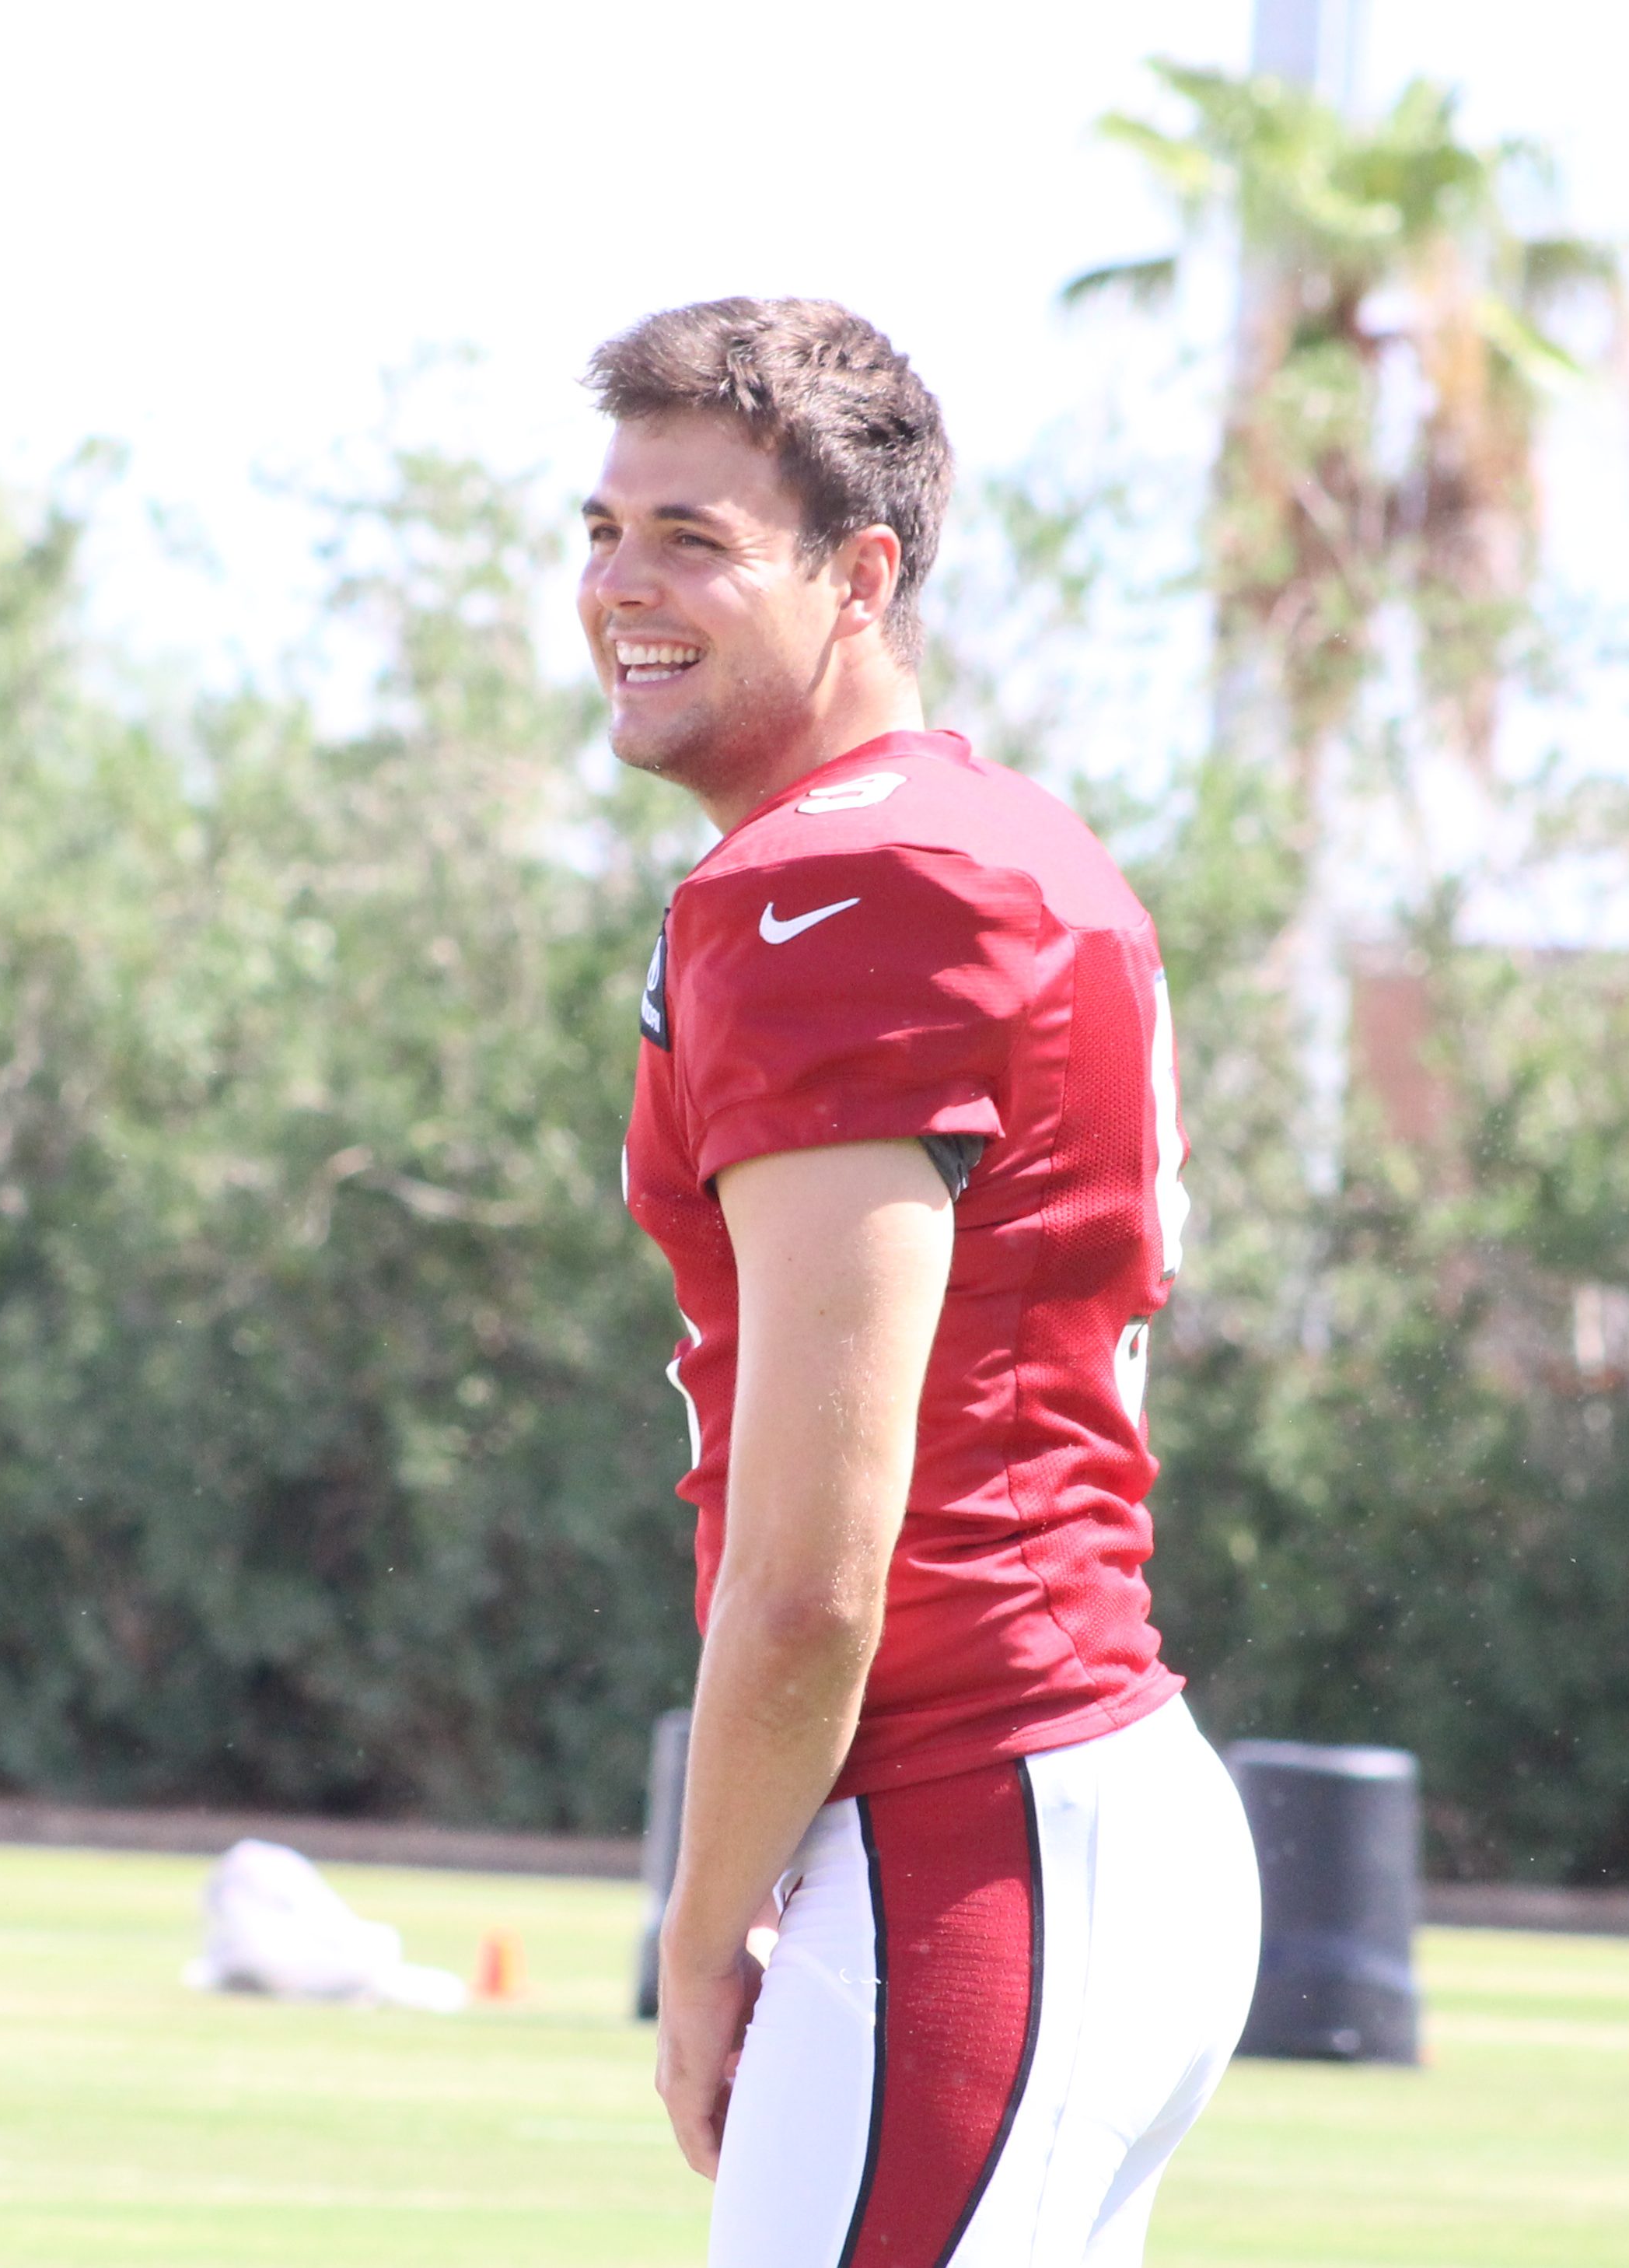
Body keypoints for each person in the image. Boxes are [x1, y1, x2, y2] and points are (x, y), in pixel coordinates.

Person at [587, 297, 1261, 2265]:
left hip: (971, 1816)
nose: (624, 585)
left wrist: (699, 1933)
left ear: (861, 574)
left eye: (695, 540)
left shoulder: (840, 884)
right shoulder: (985, 837)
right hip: (1066, 1807)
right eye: (606, 530)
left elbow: (815, 1565)